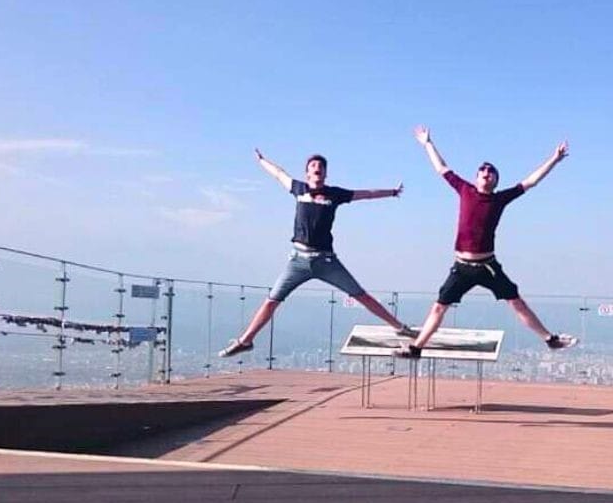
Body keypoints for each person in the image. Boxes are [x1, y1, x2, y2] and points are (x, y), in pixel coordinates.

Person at [394, 126, 577, 359]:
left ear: (496, 180)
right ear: (476, 177)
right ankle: (416, 348)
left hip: (488, 267)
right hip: (461, 267)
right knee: (439, 307)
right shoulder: (464, 189)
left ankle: (550, 339)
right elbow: (441, 167)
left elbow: (531, 182)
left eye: (491, 171)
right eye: (482, 169)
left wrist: (554, 159)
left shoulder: (500, 199)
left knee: (517, 303)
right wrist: (427, 143)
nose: (486, 172)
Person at [219, 149, 416, 357]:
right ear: (307, 173)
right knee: (271, 301)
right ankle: (245, 341)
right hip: (298, 261)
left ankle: (399, 327)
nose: (317, 168)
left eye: (321, 166)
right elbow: (279, 174)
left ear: (325, 174)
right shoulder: (298, 189)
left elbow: (365, 194)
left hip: (326, 261)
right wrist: (262, 161)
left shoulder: (335, 194)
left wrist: (392, 192)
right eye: (313, 166)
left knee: (361, 295)